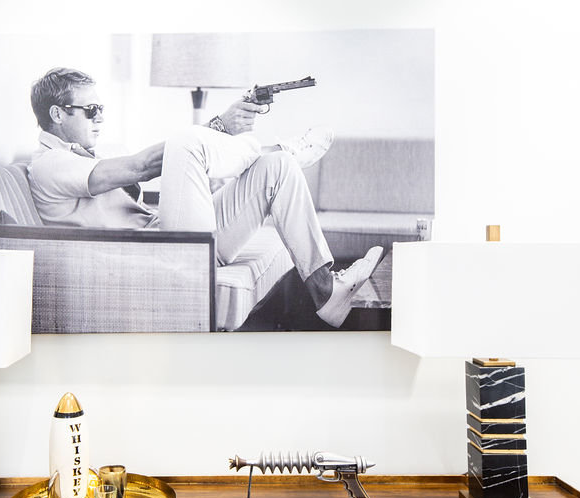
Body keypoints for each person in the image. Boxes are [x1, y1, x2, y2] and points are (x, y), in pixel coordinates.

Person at [26, 67, 383, 328]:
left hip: (167, 239)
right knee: (186, 141)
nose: (100, 117)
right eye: (91, 110)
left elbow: (145, 172)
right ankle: (264, 147)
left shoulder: (85, 157)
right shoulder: (51, 164)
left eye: (101, 108)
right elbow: (142, 167)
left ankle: (327, 291)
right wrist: (221, 127)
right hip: (158, 258)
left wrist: (219, 133)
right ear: (57, 114)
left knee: (278, 168)